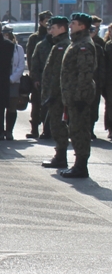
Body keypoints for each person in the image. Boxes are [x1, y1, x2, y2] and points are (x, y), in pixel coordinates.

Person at [57, 13, 98, 178]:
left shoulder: (84, 45)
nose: (70, 26)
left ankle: (81, 166)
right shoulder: (77, 42)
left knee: (80, 130)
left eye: (73, 23)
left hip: (79, 96)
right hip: (72, 95)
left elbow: (85, 73)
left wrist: (80, 96)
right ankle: (78, 164)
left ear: (82, 26)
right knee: (74, 128)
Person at [40, 16, 72, 170]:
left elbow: (58, 73)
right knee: (55, 126)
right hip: (54, 94)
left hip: (58, 95)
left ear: (61, 28)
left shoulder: (62, 46)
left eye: (53, 28)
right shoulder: (58, 44)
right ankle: (59, 156)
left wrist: (52, 94)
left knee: (59, 126)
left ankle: (61, 157)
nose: (50, 31)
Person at [4, 27, 26, 141]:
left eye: (8, 35)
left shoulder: (18, 48)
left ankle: (9, 131)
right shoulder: (0, 47)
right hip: (0, 82)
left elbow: (21, 66)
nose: (6, 37)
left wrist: (12, 78)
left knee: (12, 107)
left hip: (13, 82)